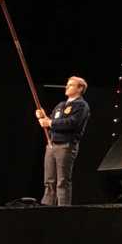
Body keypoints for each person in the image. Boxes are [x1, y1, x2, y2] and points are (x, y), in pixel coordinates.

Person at [36, 75, 91, 206]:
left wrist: (49, 122)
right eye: (67, 84)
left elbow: (71, 123)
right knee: (49, 181)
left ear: (80, 88)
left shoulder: (81, 106)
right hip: (51, 145)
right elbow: (52, 120)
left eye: (71, 85)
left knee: (62, 182)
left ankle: (63, 212)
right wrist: (43, 116)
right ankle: (47, 208)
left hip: (65, 146)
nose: (67, 87)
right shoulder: (61, 105)